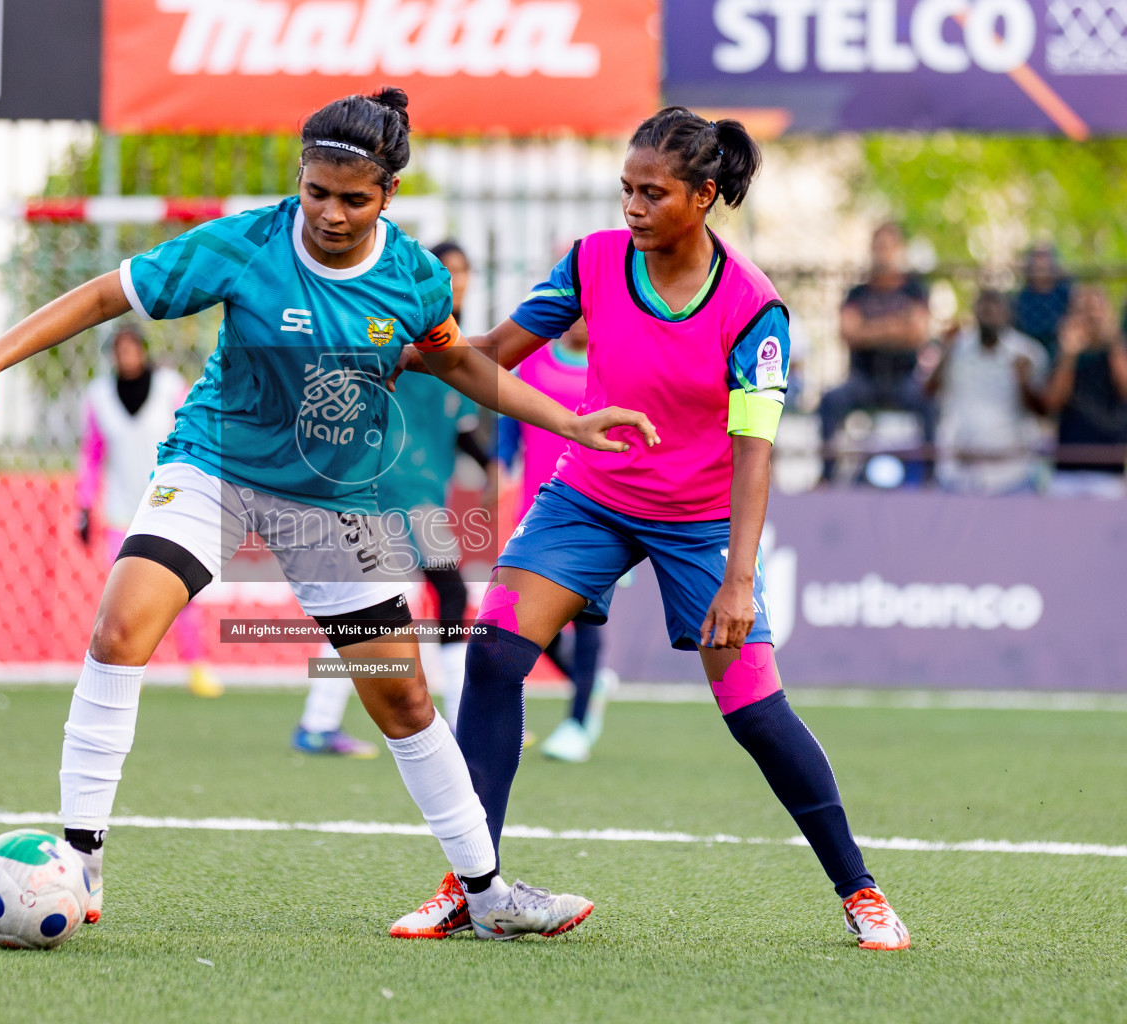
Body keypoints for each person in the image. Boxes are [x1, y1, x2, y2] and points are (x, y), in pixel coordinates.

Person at [0, 87, 652, 939]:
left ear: (388, 194)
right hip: (216, 466)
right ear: (299, 180)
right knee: (120, 630)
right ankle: (80, 860)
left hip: (331, 503)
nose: (332, 213)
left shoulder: (414, 277)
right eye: (318, 192)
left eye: (354, 198)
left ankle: (489, 895)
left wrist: (567, 418)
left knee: (406, 704)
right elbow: (105, 297)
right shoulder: (246, 243)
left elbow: (457, 363)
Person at [389, 108, 911, 950]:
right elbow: (490, 353)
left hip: (701, 523)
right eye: (626, 188)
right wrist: (412, 350)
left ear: (704, 196)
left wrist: (739, 578)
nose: (632, 206)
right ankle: (469, 885)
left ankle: (861, 892)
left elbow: (754, 450)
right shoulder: (593, 261)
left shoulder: (753, 308)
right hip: (589, 498)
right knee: (492, 656)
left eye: (653, 192)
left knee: (753, 708)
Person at [291, 240, 490, 756]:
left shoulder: (460, 345)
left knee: (386, 604)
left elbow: (464, 428)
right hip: (382, 489)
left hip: (421, 492)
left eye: (464, 270)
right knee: (405, 601)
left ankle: (322, 720)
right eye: (448, 270)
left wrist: (493, 466)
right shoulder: (401, 328)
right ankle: (458, 720)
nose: (457, 278)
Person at [75, 322, 223, 699]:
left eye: (131, 349)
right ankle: (125, 671)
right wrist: (84, 503)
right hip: (121, 511)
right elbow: (91, 456)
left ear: (143, 351)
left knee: (181, 593)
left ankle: (196, 664)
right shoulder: (99, 397)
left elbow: (193, 437)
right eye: (118, 350)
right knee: (122, 599)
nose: (125, 356)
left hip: (170, 506)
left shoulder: (170, 388)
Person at [494, 313, 615, 763]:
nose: (583, 320)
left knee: (587, 619)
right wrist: (498, 472)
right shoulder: (534, 365)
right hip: (540, 513)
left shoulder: (611, 365)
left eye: (591, 311)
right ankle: (590, 681)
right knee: (527, 621)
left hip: (600, 512)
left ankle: (579, 722)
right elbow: (507, 433)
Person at [818, 223, 934, 485]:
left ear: (900, 249)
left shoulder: (914, 289)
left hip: (903, 378)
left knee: (930, 404)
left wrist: (869, 329)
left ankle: (931, 477)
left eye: (889, 246)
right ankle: (827, 476)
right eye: (878, 246)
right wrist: (895, 327)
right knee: (830, 402)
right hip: (864, 378)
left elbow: (917, 333)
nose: (883, 253)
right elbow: (849, 333)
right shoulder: (857, 292)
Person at [925, 289, 1049, 495]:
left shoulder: (1027, 352)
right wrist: (945, 352)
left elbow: (1043, 410)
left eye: (995, 306)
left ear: (1008, 313)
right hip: (958, 472)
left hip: (1012, 473)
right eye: (984, 306)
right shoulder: (955, 347)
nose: (989, 312)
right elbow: (928, 391)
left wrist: (1024, 382)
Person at [1043, 287, 1127, 498]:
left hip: (1109, 469)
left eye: (1096, 309)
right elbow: (1053, 403)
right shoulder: (1061, 352)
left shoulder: (1118, 350)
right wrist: (1069, 354)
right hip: (1067, 469)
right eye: (1083, 309)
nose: (1090, 316)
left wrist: (1113, 341)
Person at [1011, 243, 1071, 360]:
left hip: (1059, 346)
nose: (1040, 262)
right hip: (1028, 347)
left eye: (1044, 256)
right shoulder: (1021, 298)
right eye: (1036, 257)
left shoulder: (1065, 294)